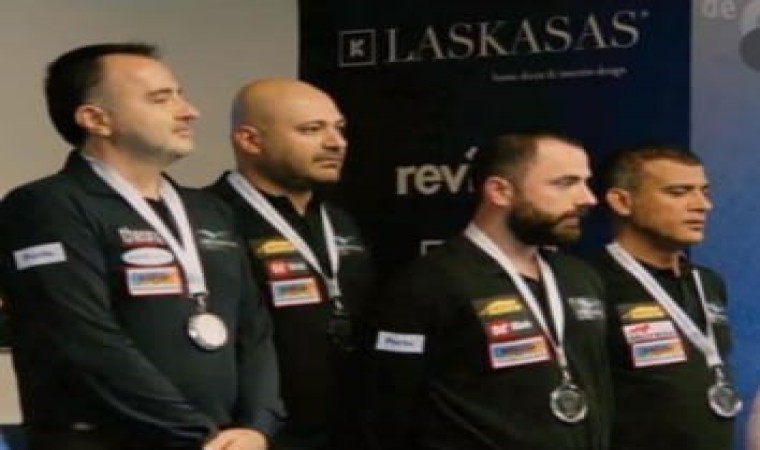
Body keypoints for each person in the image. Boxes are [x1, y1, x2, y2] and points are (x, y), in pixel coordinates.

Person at [0, 43, 283, 450]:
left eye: (180, 94)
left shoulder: (209, 210)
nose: (189, 111)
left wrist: (257, 425)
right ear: (96, 119)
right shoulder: (46, 205)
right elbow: (82, 339)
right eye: (160, 98)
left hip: (223, 440)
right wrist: (197, 433)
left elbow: (254, 331)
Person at [363, 132, 611, 450]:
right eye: (565, 183)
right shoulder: (426, 283)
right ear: (499, 191)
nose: (588, 199)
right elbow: (387, 411)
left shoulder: (580, 277)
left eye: (586, 182)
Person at [207, 79, 375, 450]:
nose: (336, 142)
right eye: (311, 129)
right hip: (253, 434)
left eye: (339, 128)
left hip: (344, 430)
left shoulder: (340, 221)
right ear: (250, 141)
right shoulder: (206, 219)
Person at [588, 145, 737, 450]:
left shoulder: (707, 282)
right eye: (678, 192)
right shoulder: (588, 282)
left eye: (704, 191)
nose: (702, 205)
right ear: (622, 201)